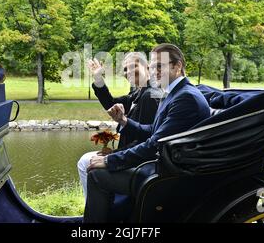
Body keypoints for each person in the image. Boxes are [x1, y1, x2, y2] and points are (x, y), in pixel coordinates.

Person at [83, 43, 211, 223]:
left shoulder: (185, 97)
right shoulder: (173, 93)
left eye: (160, 66)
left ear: (177, 66)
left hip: (169, 175)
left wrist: (110, 160)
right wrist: (124, 121)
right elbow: (153, 131)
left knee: (96, 175)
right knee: (95, 168)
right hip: (163, 164)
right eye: (153, 66)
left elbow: (155, 144)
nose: (154, 71)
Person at [77, 52, 162, 199]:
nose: (128, 72)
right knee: (86, 160)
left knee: (85, 162)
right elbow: (110, 104)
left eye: (133, 66)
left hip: (140, 161)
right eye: (125, 69)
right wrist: (98, 77)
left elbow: (146, 139)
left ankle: (94, 209)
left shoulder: (150, 96)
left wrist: (114, 155)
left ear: (147, 67)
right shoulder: (137, 93)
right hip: (129, 154)